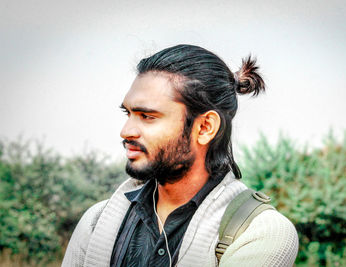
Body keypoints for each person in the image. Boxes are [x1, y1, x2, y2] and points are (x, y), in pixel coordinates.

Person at [62, 44, 298, 267]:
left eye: (147, 116)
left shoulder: (259, 232)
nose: (126, 131)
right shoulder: (96, 222)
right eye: (129, 114)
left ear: (205, 128)